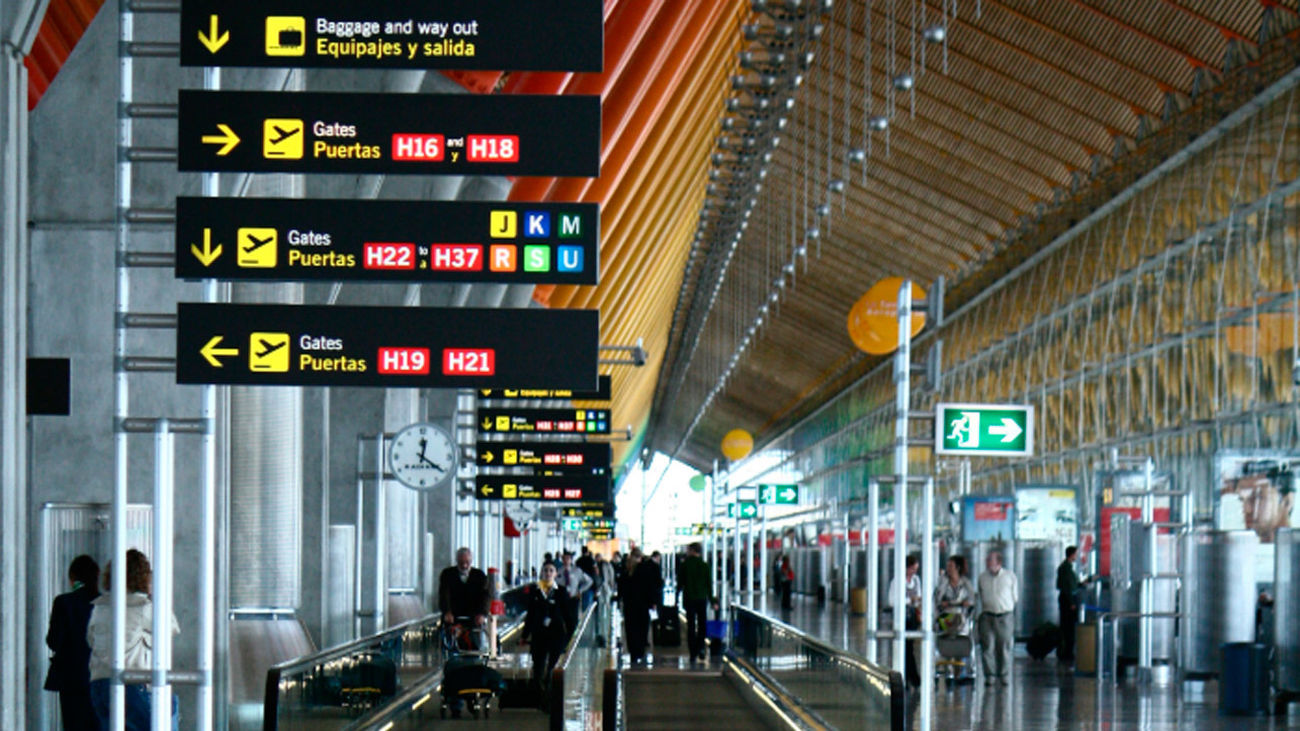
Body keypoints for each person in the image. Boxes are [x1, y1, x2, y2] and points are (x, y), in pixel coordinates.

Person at [87, 549, 179, 730]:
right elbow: (172, 628)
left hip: (100, 684)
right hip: (132, 684)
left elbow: (91, 640)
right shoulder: (144, 607)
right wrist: (154, 597)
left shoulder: (99, 607)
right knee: (168, 710)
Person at [45, 554, 101, 730]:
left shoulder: (63, 602)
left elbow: (53, 641)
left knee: (72, 724)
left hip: (70, 679)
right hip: (99, 675)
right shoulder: (105, 604)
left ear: (73, 578)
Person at [521, 562, 570, 702]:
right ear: (542, 573)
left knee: (552, 666)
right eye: (546, 570)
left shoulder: (561, 591)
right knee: (538, 665)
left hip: (556, 633)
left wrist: (570, 634)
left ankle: (549, 694)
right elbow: (530, 614)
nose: (548, 573)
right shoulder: (535, 591)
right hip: (539, 633)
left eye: (551, 570)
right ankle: (539, 695)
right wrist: (525, 635)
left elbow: (568, 614)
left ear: (555, 574)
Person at [977, 551, 1019, 686]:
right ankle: (990, 675)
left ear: (998, 562)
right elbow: (980, 595)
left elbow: (1015, 597)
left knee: (1004, 646)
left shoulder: (1010, 577)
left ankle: (1004, 674)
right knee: (987, 646)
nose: (987, 562)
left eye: (990, 560)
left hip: (1005, 615)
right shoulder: (982, 577)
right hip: (987, 615)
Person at [438, 547, 490, 646]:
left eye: (467, 562)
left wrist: (482, 613)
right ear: (457, 561)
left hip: (474, 617)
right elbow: (444, 594)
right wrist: (447, 611)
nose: (464, 565)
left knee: (475, 643)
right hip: (454, 616)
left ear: (471, 561)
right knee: (450, 642)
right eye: (461, 562)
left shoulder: (480, 575)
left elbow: (485, 596)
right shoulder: (447, 574)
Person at [888, 554, 923, 688]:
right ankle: (912, 677)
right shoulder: (897, 581)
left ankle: (909, 677)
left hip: (912, 618)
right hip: (901, 618)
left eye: (916, 569)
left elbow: (919, 596)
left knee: (909, 647)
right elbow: (891, 601)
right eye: (912, 569)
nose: (914, 572)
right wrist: (909, 600)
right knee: (906, 648)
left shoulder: (916, 580)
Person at [619, 549, 660, 664]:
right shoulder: (644, 569)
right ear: (640, 557)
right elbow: (650, 587)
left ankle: (633, 652)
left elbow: (621, 587)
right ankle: (640, 651)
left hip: (629, 604)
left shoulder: (626, 570)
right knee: (642, 628)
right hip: (642, 605)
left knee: (630, 628)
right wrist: (653, 602)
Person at [677, 542, 716, 662]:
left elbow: (680, 583)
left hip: (689, 599)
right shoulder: (705, 566)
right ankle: (701, 648)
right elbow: (709, 585)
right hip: (701, 599)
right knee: (702, 624)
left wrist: (676, 597)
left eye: (689, 550)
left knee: (691, 626)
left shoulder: (685, 565)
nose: (687, 552)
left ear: (693, 551)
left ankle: (692, 653)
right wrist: (712, 600)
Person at [1056, 545, 1092, 665]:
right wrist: (1071, 602)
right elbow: (1067, 587)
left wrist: (1084, 582)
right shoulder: (1065, 568)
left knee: (1068, 626)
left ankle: (1067, 652)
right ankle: (1067, 652)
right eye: (1076, 554)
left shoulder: (1067, 568)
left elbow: (1072, 584)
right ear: (1071, 555)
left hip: (1067, 599)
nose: (1077, 556)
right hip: (1068, 600)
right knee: (1068, 627)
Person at [555, 551, 593, 638]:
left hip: (573, 598)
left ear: (571, 560)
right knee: (563, 619)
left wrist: (580, 590)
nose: (566, 561)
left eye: (568, 559)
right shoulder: (558, 571)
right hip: (562, 599)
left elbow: (589, 581)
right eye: (564, 559)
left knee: (573, 619)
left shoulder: (577, 571)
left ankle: (573, 637)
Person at [935, 555, 975, 636]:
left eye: (950, 566)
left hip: (962, 617)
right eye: (947, 566)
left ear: (958, 568)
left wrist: (966, 603)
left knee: (960, 625)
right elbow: (938, 600)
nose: (948, 569)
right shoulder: (943, 582)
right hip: (946, 616)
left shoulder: (966, 583)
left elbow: (972, 600)